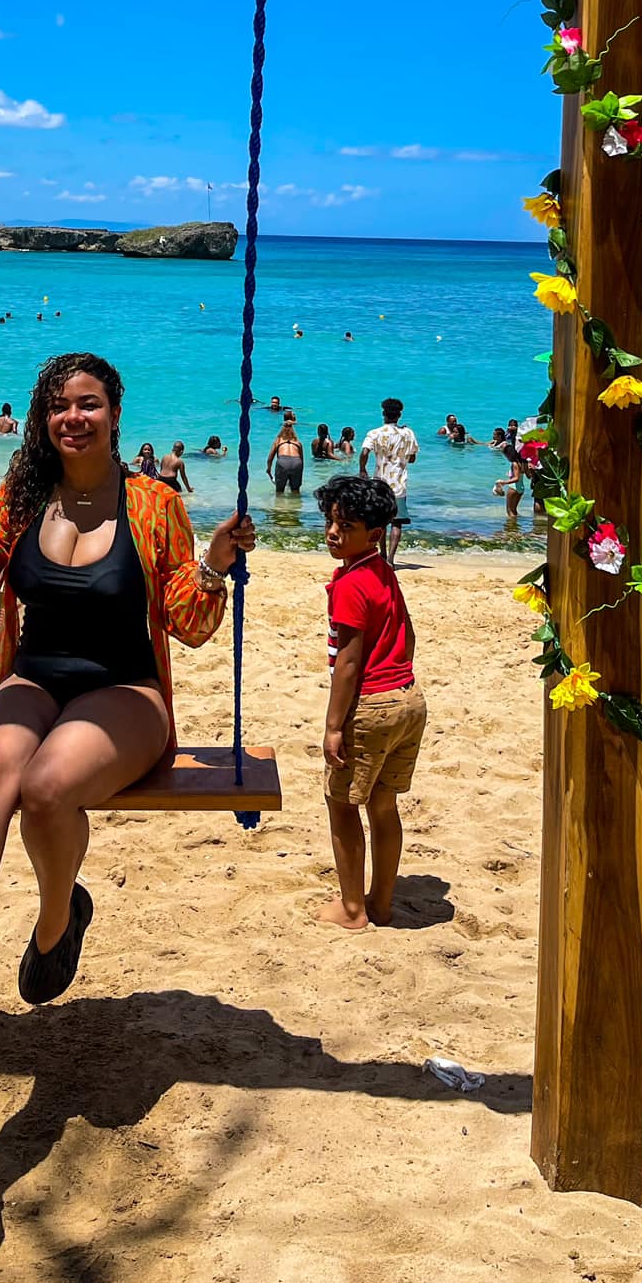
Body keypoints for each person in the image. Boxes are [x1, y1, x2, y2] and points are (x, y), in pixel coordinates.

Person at [0, 351, 255, 1014]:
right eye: (59, 406)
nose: (72, 418)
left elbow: (186, 621)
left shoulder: (154, 504)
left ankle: (57, 923)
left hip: (125, 690)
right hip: (33, 675)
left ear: (115, 414)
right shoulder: (25, 493)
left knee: (47, 787)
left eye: (87, 404)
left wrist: (216, 564)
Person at [315, 474, 426, 931]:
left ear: (375, 535)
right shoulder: (382, 571)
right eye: (330, 521)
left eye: (345, 525)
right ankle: (380, 902)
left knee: (341, 805)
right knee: (383, 805)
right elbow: (410, 635)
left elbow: (348, 663)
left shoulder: (350, 584)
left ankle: (353, 910)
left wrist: (334, 725)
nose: (332, 532)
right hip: (409, 700)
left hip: (374, 705)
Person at [359, 398, 418, 564]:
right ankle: (391, 559)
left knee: (381, 522)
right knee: (397, 523)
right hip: (399, 484)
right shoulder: (408, 434)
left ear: (384, 414)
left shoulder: (375, 433)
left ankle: (382, 554)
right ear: (399, 415)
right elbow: (412, 458)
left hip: (380, 484)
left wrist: (362, 470)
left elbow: (364, 452)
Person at [267, 413, 305, 496]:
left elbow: (270, 458)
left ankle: (279, 508)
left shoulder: (278, 441)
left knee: (279, 491)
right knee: (295, 490)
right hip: (297, 462)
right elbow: (301, 460)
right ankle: (296, 507)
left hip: (283, 462)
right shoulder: (297, 442)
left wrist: (269, 469)